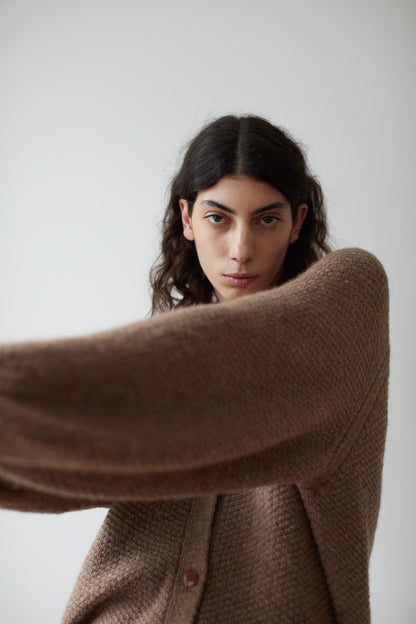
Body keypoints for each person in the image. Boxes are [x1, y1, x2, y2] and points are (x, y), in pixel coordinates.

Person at [0, 115, 389, 624]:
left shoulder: (350, 304)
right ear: (186, 218)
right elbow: (71, 465)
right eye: (218, 218)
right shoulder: (168, 356)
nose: (241, 249)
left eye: (267, 219)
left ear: (298, 221)